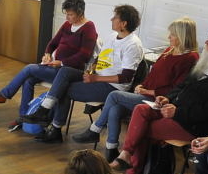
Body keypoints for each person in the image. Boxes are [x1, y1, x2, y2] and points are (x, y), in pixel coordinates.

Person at [114, 28, 208, 174]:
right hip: (174, 109)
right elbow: (182, 85)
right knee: (141, 110)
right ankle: (126, 155)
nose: (205, 43)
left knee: (142, 129)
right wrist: (167, 98)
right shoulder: (207, 63)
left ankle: (133, 173)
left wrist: (177, 112)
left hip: (193, 124)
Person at [72, 16, 200, 152]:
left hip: (159, 100)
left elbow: (177, 89)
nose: (169, 37)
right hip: (145, 94)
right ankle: (111, 149)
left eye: (173, 34)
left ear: (183, 36)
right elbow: (153, 74)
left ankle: (95, 130)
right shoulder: (170, 50)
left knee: (114, 95)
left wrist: (147, 92)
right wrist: (142, 85)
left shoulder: (190, 58)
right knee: (115, 110)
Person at [27, 4, 143, 144]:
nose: (111, 19)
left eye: (115, 17)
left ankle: (53, 126)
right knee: (65, 71)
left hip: (111, 87)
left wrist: (96, 78)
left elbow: (126, 77)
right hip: (96, 77)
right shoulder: (113, 36)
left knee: (63, 89)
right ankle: (45, 113)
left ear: (123, 23)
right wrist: (91, 71)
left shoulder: (133, 45)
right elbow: (100, 58)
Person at [0, 0, 97, 134]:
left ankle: (4, 95)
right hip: (55, 67)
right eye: (66, 13)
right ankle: (23, 117)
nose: (67, 17)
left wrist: (61, 62)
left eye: (70, 14)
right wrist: (47, 54)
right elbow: (53, 43)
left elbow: (84, 56)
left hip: (69, 72)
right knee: (28, 80)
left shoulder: (89, 28)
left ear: (80, 13)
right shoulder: (67, 25)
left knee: (30, 68)